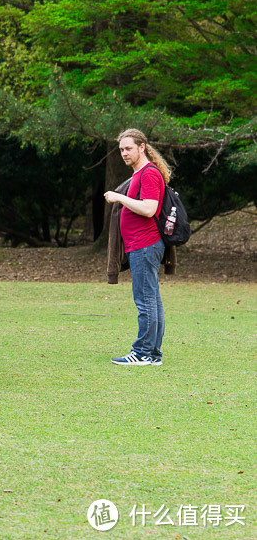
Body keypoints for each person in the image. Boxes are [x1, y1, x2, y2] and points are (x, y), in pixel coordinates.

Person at [104, 128, 170, 366]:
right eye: (121, 149)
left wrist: (119, 197)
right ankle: (152, 353)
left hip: (146, 244)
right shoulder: (139, 174)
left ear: (142, 147)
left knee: (145, 301)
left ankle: (144, 353)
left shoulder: (149, 174)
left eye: (128, 148)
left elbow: (149, 208)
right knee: (151, 299)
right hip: (139, 245)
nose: (124, 153)